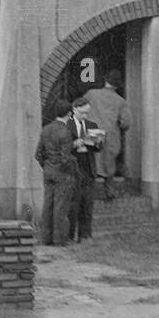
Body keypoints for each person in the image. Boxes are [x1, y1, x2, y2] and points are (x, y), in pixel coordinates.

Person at [34, 99, 79, 246]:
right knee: (61, 207)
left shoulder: (46, 129)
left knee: (48, 205)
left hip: (48, 171)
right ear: (69, 113)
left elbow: (38, 154)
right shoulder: (65, 132)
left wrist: (47, 166)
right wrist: (73, 171)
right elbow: (66, 159)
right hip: (63, 174)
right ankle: (60, 240)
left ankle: (44, 238)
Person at [83, 70, 131, 201]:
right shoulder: (121, 101)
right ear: (117, 85)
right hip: (111, 135)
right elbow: (125, 123)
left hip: (93, 132)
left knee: (91, 163)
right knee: (109, 164)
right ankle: (109, 191)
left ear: (105, 81)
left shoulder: (91, 94)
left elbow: (80, 108)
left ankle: (88, 194)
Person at [66, 94, 103, 243]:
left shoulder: (92, 125)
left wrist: (99, 142)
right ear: (74, 109)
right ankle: (70, 235)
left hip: (87, 168)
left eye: (87, 113)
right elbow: (61, 147)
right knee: (72, 204)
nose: (85, 115)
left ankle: (85, 235)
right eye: (82, 112)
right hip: (73, 167)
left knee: (87, 203)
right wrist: (74, 144)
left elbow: (98, 148)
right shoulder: (66, 125)